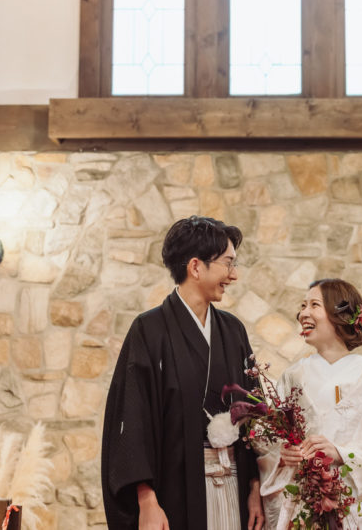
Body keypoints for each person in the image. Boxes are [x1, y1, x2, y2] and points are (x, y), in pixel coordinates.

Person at [101, 216, 265, 530]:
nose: (233, 274)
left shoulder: (233, 331)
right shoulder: (149, 330)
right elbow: (133, 419)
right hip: (173, 492)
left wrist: (255, 488)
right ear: (196, 267)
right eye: (228, 263)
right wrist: (146, 500)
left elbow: (254, 417)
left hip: (234, 485)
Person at [258, 278, 362, 529]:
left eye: (314, 305)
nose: (303, 313)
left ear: (339, 315)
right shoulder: (293, 376)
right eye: (303, 305)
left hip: (353, 507)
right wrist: (283, 456)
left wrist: (341, 453)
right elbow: (268, 442)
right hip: (304, 505)